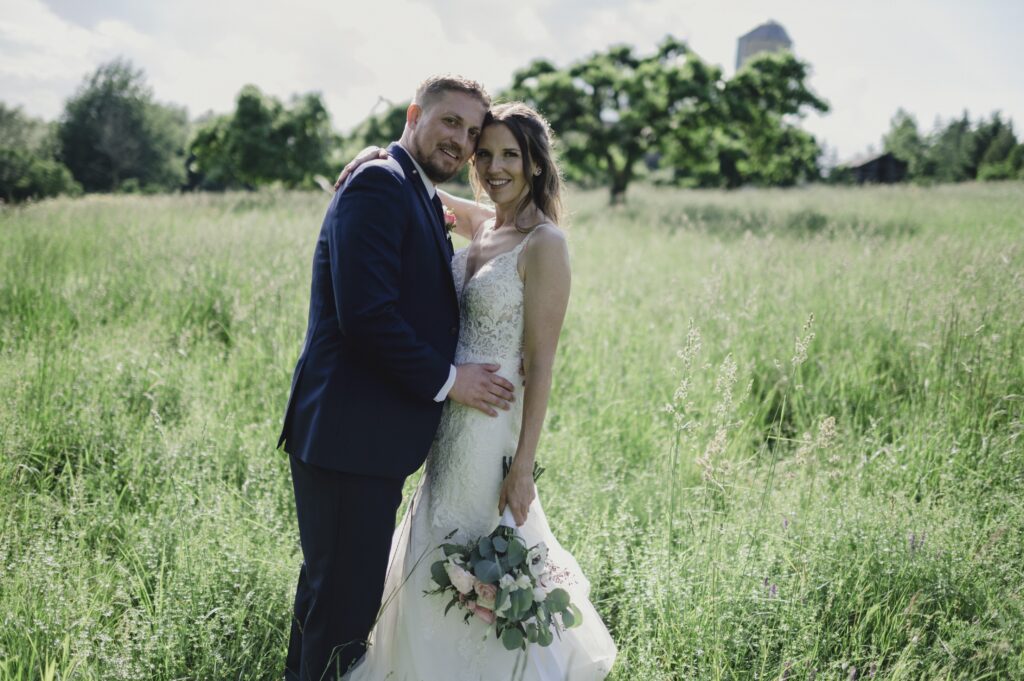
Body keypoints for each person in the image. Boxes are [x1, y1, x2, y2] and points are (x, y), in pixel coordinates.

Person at [334, 102, 617, 680]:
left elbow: (541, 366)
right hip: (449, 420)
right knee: (434, 543)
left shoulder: (544, 244)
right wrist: (375, 155)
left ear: (535, 163)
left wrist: (523, 469)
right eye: (483, 153)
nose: (493, 167)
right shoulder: (486, 224)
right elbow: (416, 191)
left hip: (492, 428)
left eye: (509, 155)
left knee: (482, 552)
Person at [278, 75, 520, 681]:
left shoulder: (406, 184)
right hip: (346, 438)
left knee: (327, 600)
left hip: (360, 438)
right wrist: (450, 380)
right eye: (449, 123)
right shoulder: (383, 185)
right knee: (342, 612)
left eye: (471, 132)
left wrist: (381, 149)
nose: (461, 141)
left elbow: (510, 218)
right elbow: (366, 316)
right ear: (415, 114)